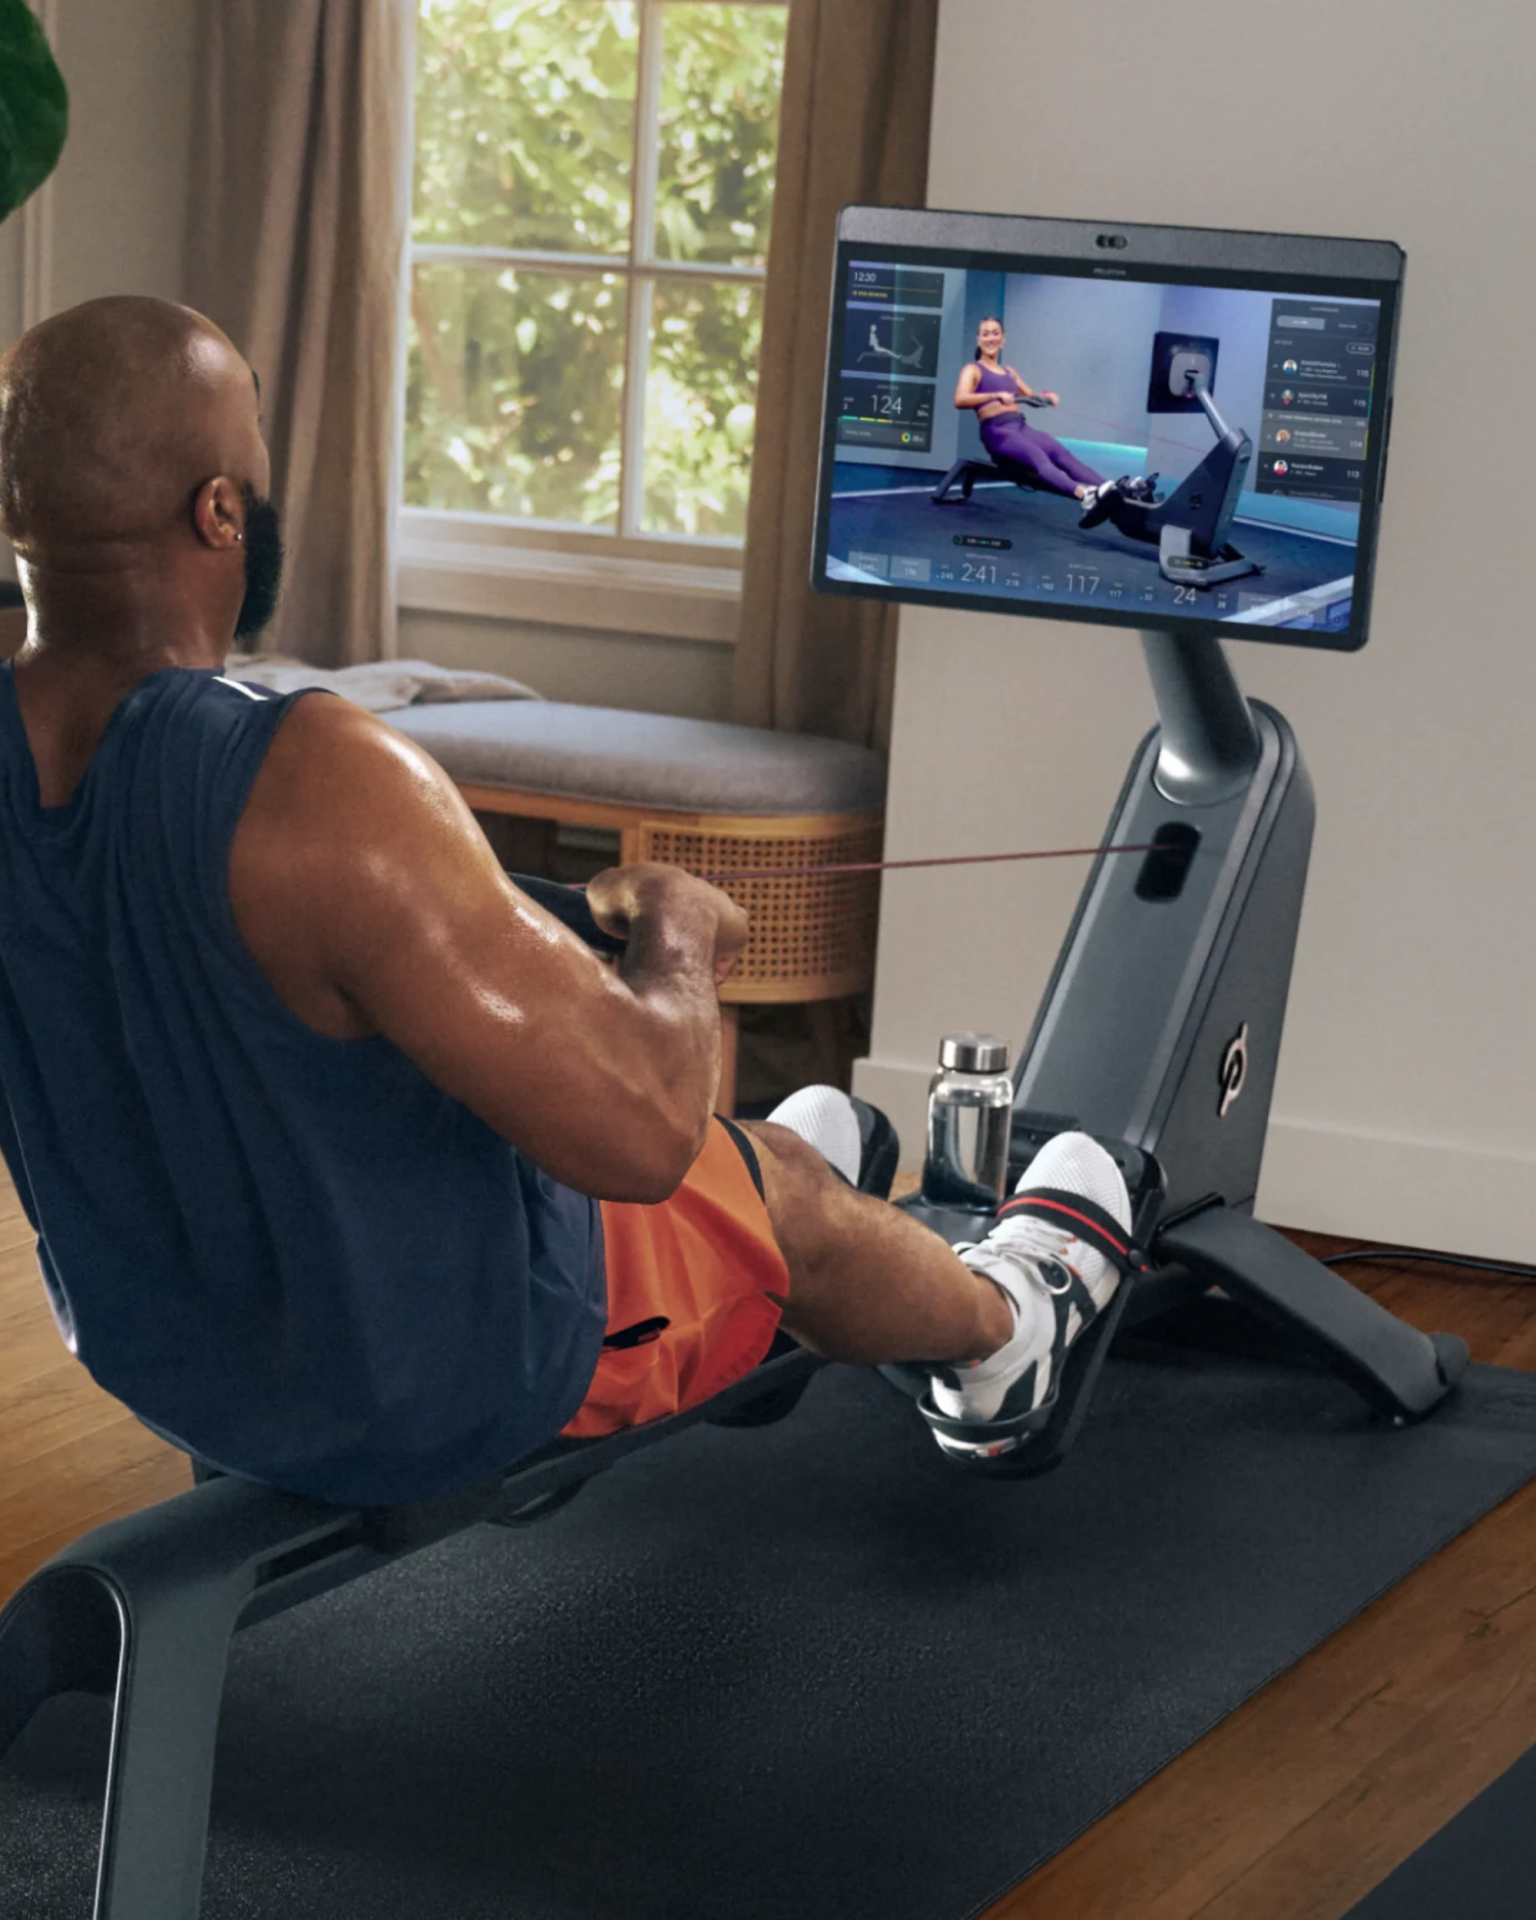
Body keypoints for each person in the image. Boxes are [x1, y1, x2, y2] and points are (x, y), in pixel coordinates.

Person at [0, 296, 1132, 1504]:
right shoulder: (319, 778)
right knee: (756, 1185)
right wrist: (684, 931)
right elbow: (642, 1135)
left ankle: (783, 1198)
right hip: (451, 1380)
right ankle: (1011, 1330)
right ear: (221, 513)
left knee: (702, 1148)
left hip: (183, 1373)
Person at [953, 315, 1117, 509]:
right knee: (1038, 456)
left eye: (995, 333)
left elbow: (1031, 396)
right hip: (997, 432)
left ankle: (1111, 489)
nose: (991, 338)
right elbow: (960, 399)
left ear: (1003, 339)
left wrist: (1046, 398)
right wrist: (995, 395)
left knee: (1060, 452)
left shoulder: (1009, 372)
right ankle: (1086, 496)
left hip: (1020, 427)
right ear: (978, 340)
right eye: (985, 334)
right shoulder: (973, 369)